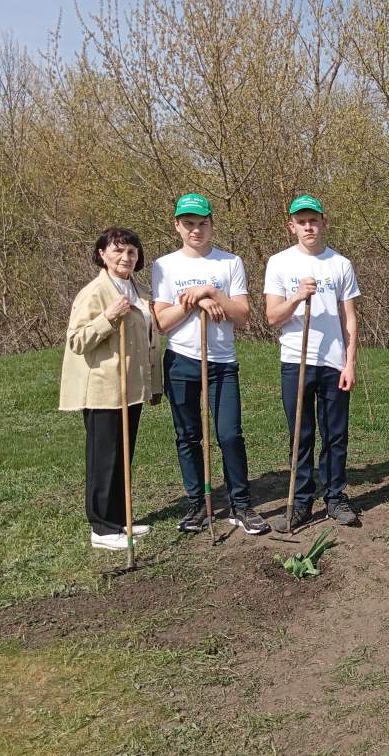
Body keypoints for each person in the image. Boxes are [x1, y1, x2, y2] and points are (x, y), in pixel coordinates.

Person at [151, 193, 269, 534]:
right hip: (181, 360)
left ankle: (241, 505)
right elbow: (162, 322)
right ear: (177, 226)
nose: (196, 230)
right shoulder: (165, 265)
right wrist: (193, 304)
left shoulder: (229, 263)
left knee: (229, 434)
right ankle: (197, 504)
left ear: (212, 224)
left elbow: (243, 315)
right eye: (189, 224)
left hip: (221, 362)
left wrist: (212, 293)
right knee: (188, 436)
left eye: (202, 223)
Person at [60, 227, 162, 551]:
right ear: (102, 254)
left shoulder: (137, 290)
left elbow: (149, 341)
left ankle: (121, 520)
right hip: (105, 389)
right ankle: (102, 528)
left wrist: (154, 385)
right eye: (117, 250)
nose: (125, 257)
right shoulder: (94, 293)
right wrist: (107, 317)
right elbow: (76, 340)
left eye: (131, 251)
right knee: (104, 458)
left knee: (123, 455)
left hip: (132, 389)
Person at [264, 194, 361, 529]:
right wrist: (296, 297)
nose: (308, 226)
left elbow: (349, 317)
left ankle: (335, 497)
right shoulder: (279, 263)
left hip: (334, 363)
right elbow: (272, 316)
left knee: (335, 434)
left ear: (323, 222)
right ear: (292, 226)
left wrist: (349, 363)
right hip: (296, 360)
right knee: (300, 434)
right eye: (301, 221)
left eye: (313, 220)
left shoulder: (340, 264)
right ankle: (301, 501)